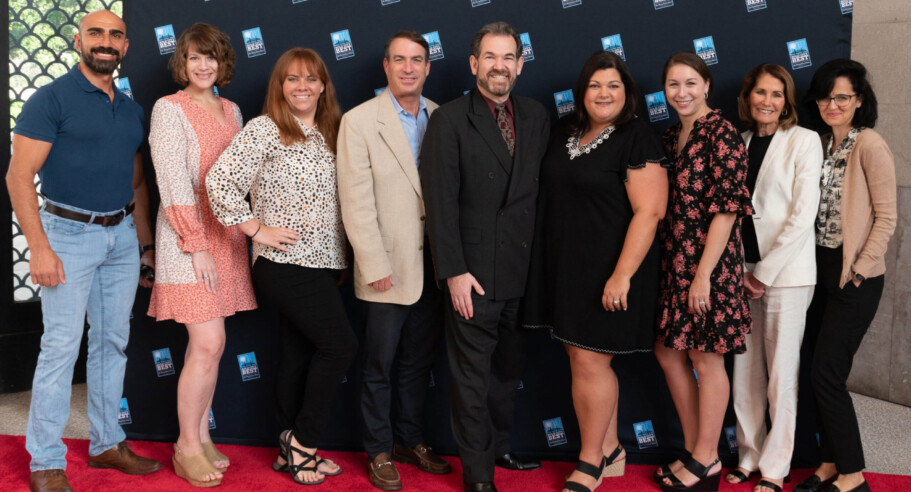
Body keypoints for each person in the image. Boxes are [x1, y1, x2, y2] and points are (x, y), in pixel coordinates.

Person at [5, 9, 163, 492]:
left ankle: (105, 443)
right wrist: (40, 247)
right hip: (67, 235)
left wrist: (144, 245)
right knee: (59, 349)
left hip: (119, 237)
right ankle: (46, 462)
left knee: (112, 342)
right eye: (96, 33)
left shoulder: (132, 108)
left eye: (115, 34)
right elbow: (17, 176)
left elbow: (135, 181)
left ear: (125, 46)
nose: (106, 41)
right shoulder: (50, 98)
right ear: (79, 41)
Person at [207, 47, 357, 487]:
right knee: (340, 346)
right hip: (285, 262)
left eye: (311, 79)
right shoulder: (266, 129)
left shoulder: (333, 130)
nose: (302, 87)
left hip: (327, 263)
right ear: (280, 85)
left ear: (324, 85)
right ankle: (305, 444)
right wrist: (255, 228)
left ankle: (285, 447)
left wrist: (341, 255)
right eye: (293, 79)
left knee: (299, 353)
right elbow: (220, 181)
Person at [524, 51, 667, 492]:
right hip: (567, 266)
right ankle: (610, 448)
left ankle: (590, 462)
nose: (603, 94)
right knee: (581, 358)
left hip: (611, 269)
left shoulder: (637, 137)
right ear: (582, 93)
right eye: (595, 86)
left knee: (589, 360)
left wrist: (622, 275)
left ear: (628, 94)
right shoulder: (568, 133)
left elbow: (651, 212)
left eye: (613, 86)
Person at [420, 21, 551, 492]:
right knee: (472, 382)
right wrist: (453, 272)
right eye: (490, 57)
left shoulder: (535, 115)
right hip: (472, 275)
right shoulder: (450, 119)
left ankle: (499, 450)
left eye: (508, 57)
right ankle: (479, 477)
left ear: (519, 63)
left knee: (506, 375)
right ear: (474, 64)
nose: (500, 66)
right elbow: (440, 203)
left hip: (521, 274)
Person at [336, 31, 451, 491]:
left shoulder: (443, 117)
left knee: (416, 366)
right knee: (379, 366)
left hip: (435, 269)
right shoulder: (360, 121)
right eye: (399, 60)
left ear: (428, 66)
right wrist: (373, 263)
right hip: (386, 268)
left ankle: (410, 440)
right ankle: (379, 451)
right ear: (385, 66)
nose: (408, 68)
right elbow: (356, 202)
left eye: (417, 60)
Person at [147, 22, 257, 488]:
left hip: (227, 240)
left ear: (222, 62)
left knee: (211, 347)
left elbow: (241, 178)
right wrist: (195, 244)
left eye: (210, 56)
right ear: (182, 62)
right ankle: (185, 446)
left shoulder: (233, 110)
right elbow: (171, 180)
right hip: (186, 241)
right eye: (194, 57)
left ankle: (200, 436)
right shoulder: (168, 109)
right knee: (208, 343)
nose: (203, 65)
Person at [793, 59, 896, 492]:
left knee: (827, 374)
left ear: (858, 100)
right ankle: (830, 462)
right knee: (814, 368)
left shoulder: (869, 144)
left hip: (854, 277)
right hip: (815, 270)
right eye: (826, 97)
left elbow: (888, 219)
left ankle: (853, 475)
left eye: (843, 97)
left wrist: (858, 269)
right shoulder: (817, 142)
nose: (833, 104)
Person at [653, 51, 752, 492]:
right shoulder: (673, 133)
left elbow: (728, 210)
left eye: (690, 83)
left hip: (709, 266)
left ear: (707, 85)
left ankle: (706, 457)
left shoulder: (722, 133)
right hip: (675, 261)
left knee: (706, 358)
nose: (682, 92)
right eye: (673, 84)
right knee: (669, 351)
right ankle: (699, 452)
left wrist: (703, 276)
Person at [724, 63, 823, 492]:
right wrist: (745, 272)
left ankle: (775, 468)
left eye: (776, 94)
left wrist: (763, 273)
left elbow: (803, 216)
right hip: (740, 273)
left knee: (783, 374)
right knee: (744, 373)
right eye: (760, 92)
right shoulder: (740, 141)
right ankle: (748, 454)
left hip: (786, 275)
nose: (767, 101)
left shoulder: (804, 141)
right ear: (748, 98)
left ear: (787, 101)